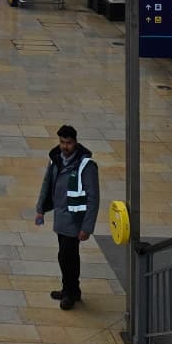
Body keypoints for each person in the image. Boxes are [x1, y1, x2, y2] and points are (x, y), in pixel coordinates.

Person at [35, 124, 100, 309]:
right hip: (61, 218)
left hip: (75, 221)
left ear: (76, 142)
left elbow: (93, 198)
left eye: (69, 143)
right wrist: (41, 209)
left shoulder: (86, 166)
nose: (65, 146)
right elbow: (47, 184)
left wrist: (87, 227)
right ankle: (71, 289)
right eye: (62, 142)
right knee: (68, 256)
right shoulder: (55, 159)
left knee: (66, 257)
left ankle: (69, 293)